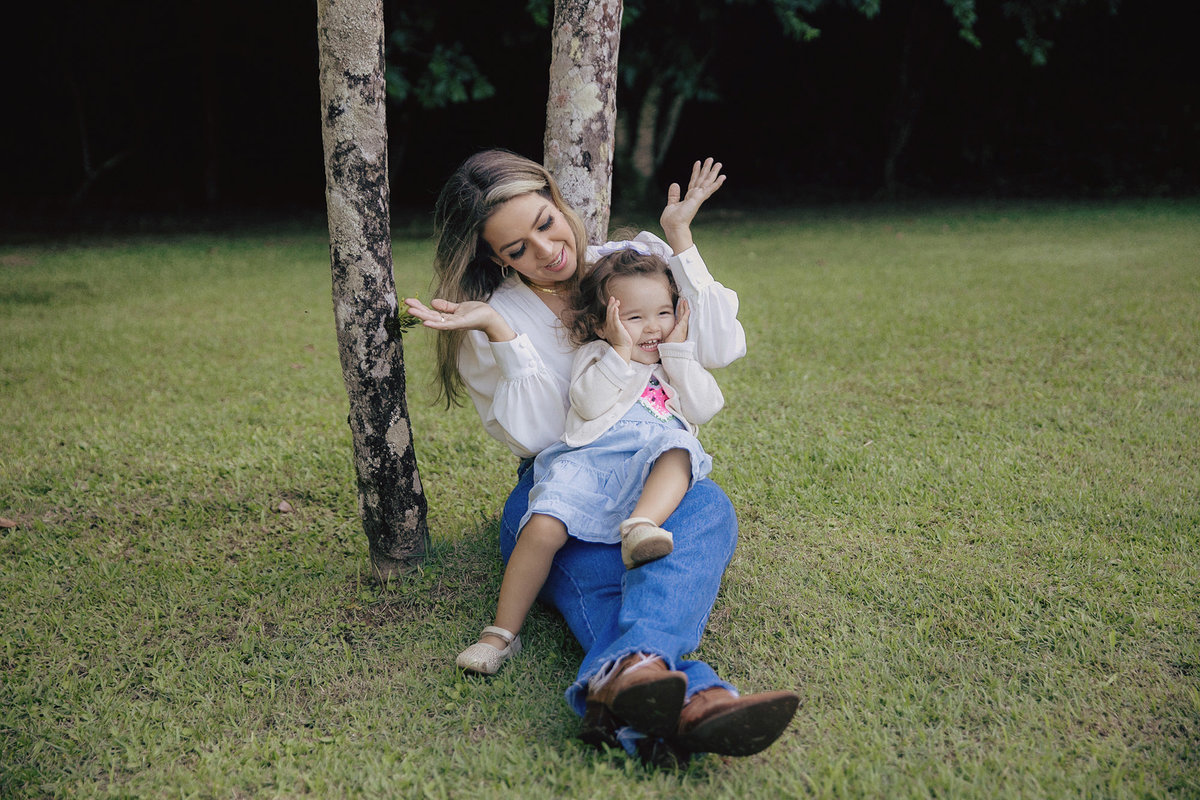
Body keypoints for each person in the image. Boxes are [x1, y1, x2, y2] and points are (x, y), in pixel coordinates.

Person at [403, 150, 798, 764]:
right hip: (560, 488)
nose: (546, 251)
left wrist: (681, 240)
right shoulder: (490, 316)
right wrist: (502, 335)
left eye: (546, 222)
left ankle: (634, 687)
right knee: (607, 582)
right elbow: (541, 434)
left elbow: (720, 347)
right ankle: (696, 699)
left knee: (708, 509)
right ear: (495, 258)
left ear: (558, 202)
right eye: (517, 249)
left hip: (652, 472)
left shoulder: (630, 262)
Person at [455, 244, 725, 679]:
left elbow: (706, 406)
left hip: (648, 468)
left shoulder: (674, 364)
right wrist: (619, 351)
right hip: (588, 465)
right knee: (542, 527)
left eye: (663, 313)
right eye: (633, 318)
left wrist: (678, 352)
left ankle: (641, 526)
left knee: (679, 448)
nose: (652, 328)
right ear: (602, 324)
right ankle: (501, 633)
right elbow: (588, 402)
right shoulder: (598, 356)